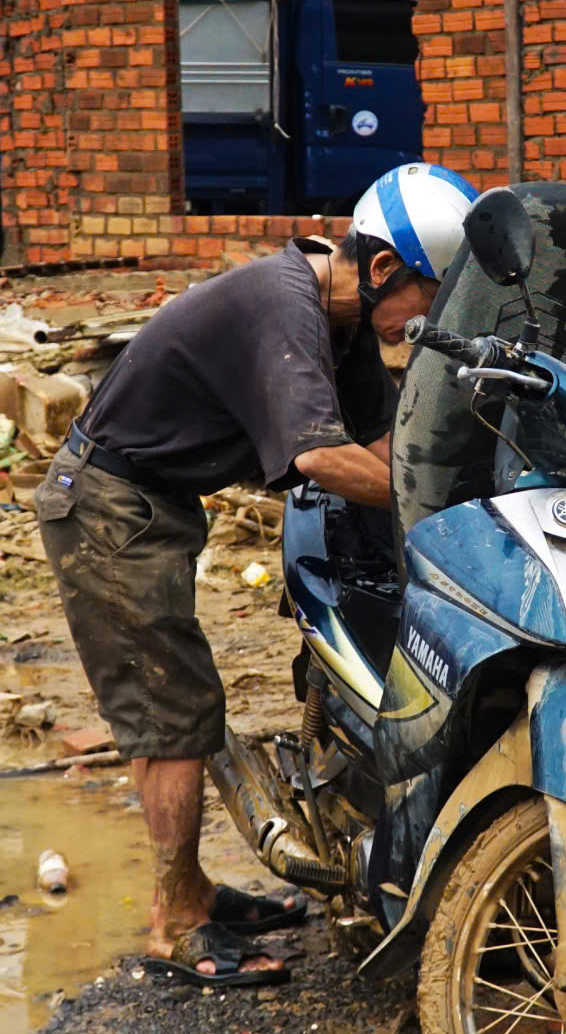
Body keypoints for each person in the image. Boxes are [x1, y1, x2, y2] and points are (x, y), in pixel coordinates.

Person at [34, 163, 479, 989]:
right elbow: (319, 455)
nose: (430, 319)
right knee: (172, 713)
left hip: (154, 500)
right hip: (107, 503)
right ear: (385, 271)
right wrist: (439, 497)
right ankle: (175, 921)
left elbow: (385, 446)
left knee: (183, 700)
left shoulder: (343, 320)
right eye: (430, 295)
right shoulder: (288, 307)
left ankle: (196, 886)